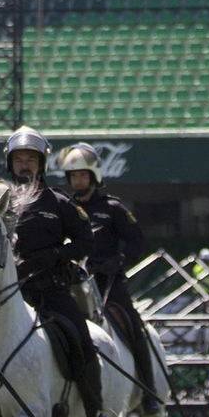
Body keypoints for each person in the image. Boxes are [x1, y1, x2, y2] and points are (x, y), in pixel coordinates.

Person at [6, 126, 119, 417]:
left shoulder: (59, 202)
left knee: (81, 338)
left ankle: (95, 414)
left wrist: (54, 255)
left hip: (50, 290)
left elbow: (86, 242)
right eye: (19, 159)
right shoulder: (1, 202)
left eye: (31, 159)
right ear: (10, 164)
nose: (24, 165)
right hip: (8, 294)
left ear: (42, 163)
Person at [60, 142, 159, 403]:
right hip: (71, 281)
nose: (78, 181)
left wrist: (119, 261)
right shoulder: (64, 209)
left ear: (94, 177)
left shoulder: (113, 208)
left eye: (83, 175)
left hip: (107, 281)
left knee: (133, 324)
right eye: (74, 176)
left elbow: (136, 242)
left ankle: (148, 389)